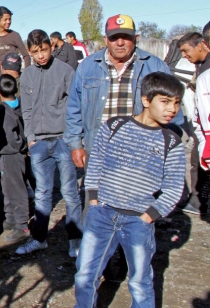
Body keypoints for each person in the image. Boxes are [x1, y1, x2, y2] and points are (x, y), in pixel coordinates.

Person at [74, 72, 186, 308]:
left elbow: (174, 188)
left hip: (138, 221)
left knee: (140, 281)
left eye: (176, 103)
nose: (172, 109)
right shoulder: (115, 126)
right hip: (102, 214)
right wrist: (93, 201)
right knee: (85, 274)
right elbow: (94, 167)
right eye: (165, 102)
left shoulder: (171, 141)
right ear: (146, 100)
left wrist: (149, 217)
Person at [65, 14, 184, 172]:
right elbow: (74, 109)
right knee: (97, 196)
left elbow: (174, 115)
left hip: (142, 155)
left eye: (126, 37)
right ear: (105, 39)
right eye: (114, 38)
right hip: (99, 152)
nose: (120, 43)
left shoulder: (156, 67)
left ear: (136, 38)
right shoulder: (87, 67)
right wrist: (75, 145)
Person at [16, 29, 83, 257]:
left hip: (64, 139)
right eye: (35, 52)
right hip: (40, 144)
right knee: (43, 193)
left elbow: (75, 105)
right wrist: (31, 138)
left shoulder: (66, 71)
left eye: (44, 50)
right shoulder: (26, 76)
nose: (41, 55)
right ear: (29, 52)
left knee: (70, 191)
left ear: (51, 47)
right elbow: (26, 110)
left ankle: (75, 240)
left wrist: (74, 139)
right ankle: (39, 238)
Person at [0, 74, 31, 242]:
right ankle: (11, 218)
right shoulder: (22, 106)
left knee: (16, 190)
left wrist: (18, 146)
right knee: (8, 187)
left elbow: (12, 138)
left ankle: (22, 225)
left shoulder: (4, 112)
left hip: (11, 155)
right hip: (18, 153)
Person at [179, 32, 210, 214]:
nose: (184, 55)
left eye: (185, 50)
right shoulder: (201, 66)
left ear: (200, 45)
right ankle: (199, 201)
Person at [0, 6, 31, 76]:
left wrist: (26, 75)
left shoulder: (15, 35)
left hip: (14, 76)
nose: (8, 22)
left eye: (10, 19)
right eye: (5, 19)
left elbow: (26, 56)